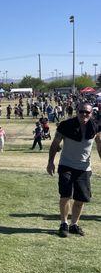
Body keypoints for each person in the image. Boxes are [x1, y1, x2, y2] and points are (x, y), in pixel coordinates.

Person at [47, 102, 101, 238]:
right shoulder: (66, 125)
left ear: (91, 113)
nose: (84, 114)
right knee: (65, 195)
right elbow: (54, 144)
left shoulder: (95, 127)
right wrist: (50, 162)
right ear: (77, 111)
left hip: (84, 168)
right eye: (82, 111)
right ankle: (64, 224)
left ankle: (74, 225)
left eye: (87, 112)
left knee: (80, 198)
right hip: (66, 165)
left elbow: (100, 145)